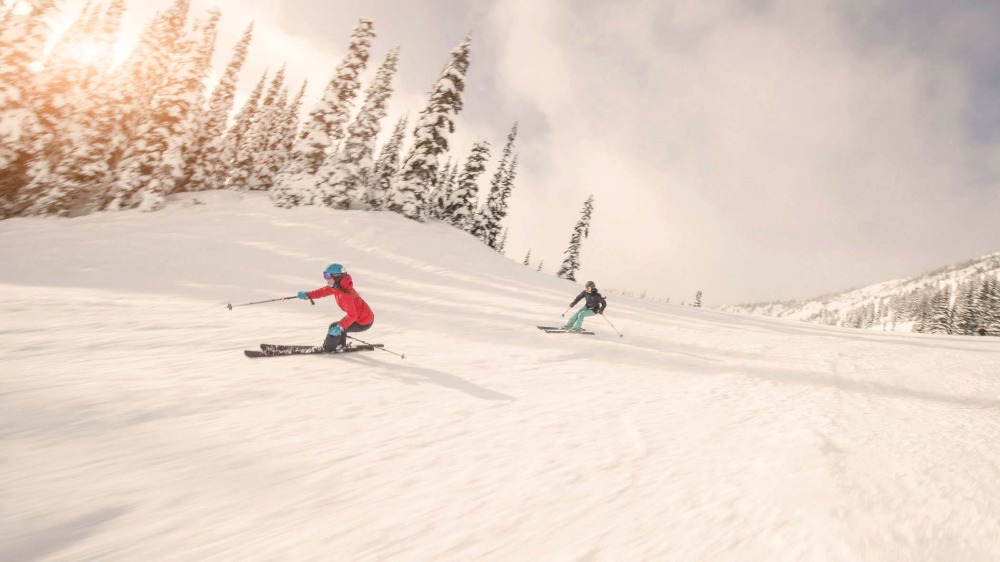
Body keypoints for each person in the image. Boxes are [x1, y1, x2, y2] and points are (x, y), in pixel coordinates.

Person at [298, 263, 375, 352]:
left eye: (327, 275)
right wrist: (308, 295)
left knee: (335, 327)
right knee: (337, 326)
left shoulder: (345, 294)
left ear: (337, 277)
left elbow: (352, 315)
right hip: (360, 316)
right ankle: (340, 345)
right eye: (324, 275)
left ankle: (328, 348)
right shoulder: (337, 287)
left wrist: (340, 327)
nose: (326, 278)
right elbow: (322, 292)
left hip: (363, 322)